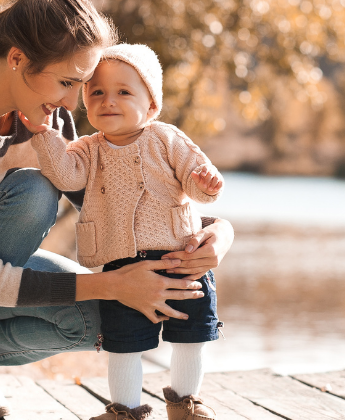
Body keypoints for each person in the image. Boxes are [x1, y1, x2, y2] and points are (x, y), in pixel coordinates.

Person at [0, 1, 235, 419]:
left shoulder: (52, 125)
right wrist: (114, 284)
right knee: (34, 193)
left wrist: (217, 235)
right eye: (69, 82)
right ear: (17, 58)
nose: (72, 103)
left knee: (111, 321)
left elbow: (128, 212)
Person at [27, 44, 223, 420]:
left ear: (151, 106)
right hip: (122, 270)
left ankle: (185, 403)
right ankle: (125, 410)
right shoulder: (87, 149)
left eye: (123, 92)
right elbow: (66, 175)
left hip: (182, 259)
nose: (108, 100)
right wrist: (45, 137)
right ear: (86, 101)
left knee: (191, 335)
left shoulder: (166, 139)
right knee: (123, 344)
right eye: (97, 92)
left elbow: (197, 182)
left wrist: (207, 184)